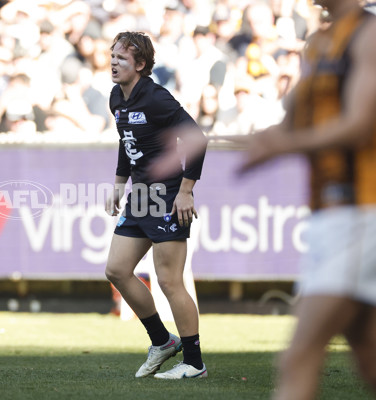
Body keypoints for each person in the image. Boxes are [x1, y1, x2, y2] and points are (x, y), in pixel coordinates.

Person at [154, 1, 376, 397]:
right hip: (333, 216)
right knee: (369, 358)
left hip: (361, 213)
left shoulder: (367, 35)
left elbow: (362, 123)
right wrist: (214, 139)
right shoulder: (319, 43)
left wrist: (283, 146)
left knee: (298, 356)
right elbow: (286, 129)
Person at [104, 31, 208, 380]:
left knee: (169, 280)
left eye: (122, 57)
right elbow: (125, 141)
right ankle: (162, 341)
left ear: (141, 65)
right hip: (141, 197)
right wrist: (120, 185)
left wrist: (186, 191)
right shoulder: (116, 97)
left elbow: (196, 137)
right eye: (112, 55)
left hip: (167, 194)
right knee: (117, 270)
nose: (114, 61)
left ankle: (194, 363)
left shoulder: (157, 98)